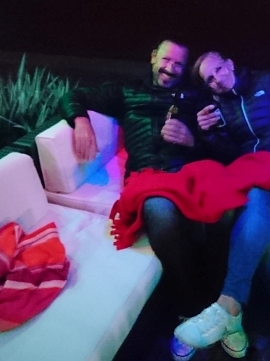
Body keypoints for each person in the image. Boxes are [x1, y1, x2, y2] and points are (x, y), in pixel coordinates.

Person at [59, 39, 243, 361]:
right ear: (154, 57)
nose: (171, 68)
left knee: (226, 212)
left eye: (179, 64)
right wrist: (81, 121)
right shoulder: (126, 92)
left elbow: (221, 145)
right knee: (161, 214)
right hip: (147, 176)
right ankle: (192, 311)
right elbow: (71, 96)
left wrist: (192, 140)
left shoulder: (195, 98)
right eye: (167, 60)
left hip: (189, 173)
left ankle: (222, 309)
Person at [173, 51, 270, 361]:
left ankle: (228, 307)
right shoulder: (218, 107)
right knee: (259, 218)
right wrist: (208, 134)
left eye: (218, 70)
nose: (217, 80)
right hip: (255, 186)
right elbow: (229, 157)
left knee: (254, 204)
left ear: (229, 64)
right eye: (209, 80)